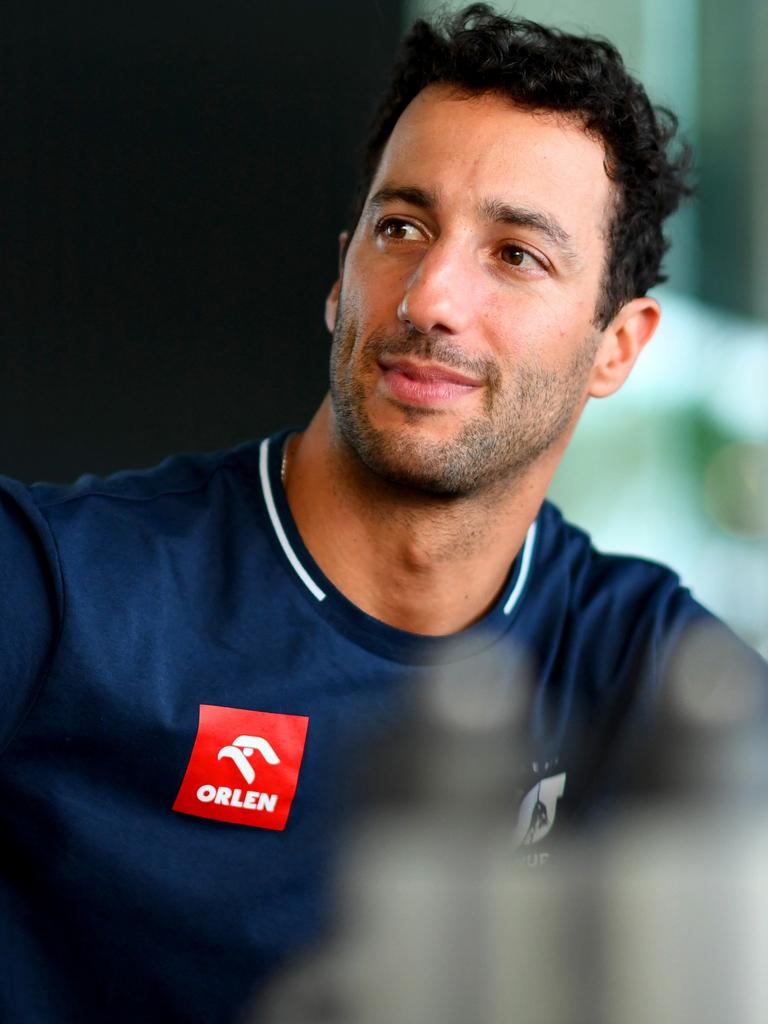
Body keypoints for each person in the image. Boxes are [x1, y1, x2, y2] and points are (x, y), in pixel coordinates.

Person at [1, 5, 766, 1023]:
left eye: (516, 255)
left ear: (618, 347)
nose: (432, 297)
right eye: (401, 228)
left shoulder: (649, 675)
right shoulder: (55, 591)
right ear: (341, 276)